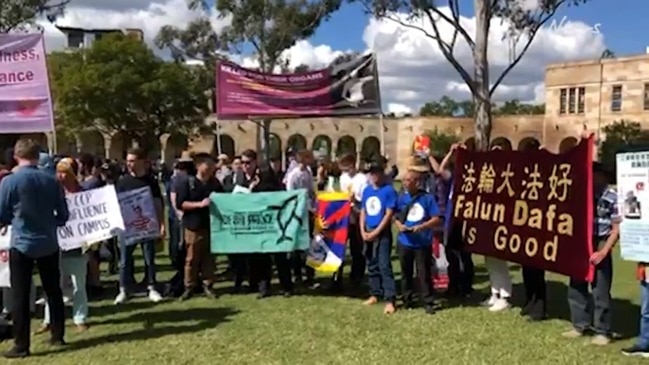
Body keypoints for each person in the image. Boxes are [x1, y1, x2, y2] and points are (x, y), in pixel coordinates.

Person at [0, 138, 69, 359]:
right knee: (53, 291)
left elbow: (1, 213)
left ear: (16, 156)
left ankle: (21, 345)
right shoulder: (52, 180)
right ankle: (58, 335)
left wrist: (14, 219)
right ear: (38, 156)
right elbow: (63, 215)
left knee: (20, 295)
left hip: (22, 243)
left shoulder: (10, 182)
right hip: (48, 242)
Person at [563, 161, 619, 345]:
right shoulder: (581, 194)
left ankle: (602, 331)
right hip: (581, 242)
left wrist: (603, 251)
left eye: (594, 174)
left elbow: (616, 228)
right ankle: (580, 324)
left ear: (603, 176)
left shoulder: (612, 197)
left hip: (600, 241)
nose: (591, 178)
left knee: (600, 290)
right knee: (576, 285)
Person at [36, 158, 89, 334]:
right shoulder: (50, 193)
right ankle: (48, 320)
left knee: (78, 286)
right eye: (58, 171)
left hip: (77, 248)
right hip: (55, 247)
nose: (61, 175)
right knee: (52, 286)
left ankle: (79, 318)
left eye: (65, 172)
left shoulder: (84, 194)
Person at [114, 148, 165, 305]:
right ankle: (124, 289)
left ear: (142, 162)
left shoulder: (151, 181)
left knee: (149, 258)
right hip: (126, 228)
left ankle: (151, 287)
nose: (129, 164)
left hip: (147, 226)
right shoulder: (122, 182)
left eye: (132, 160)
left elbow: (158, 204)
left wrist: (161, 224)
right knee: (124, 260)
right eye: (128, 161)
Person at [395, 161, 442, 314]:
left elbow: (436, 218)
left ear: (416, 182)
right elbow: (395, 215)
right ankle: (407, 299)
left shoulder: (427, 198)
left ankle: (428, 301)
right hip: (405, 241)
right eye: (404, 180)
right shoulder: (402, 198)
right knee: (405, 273)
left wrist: (421, 227)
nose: (405, 183)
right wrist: (399, 226)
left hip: (422, 242)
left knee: (424, 273)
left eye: (408, 180)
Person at [175, 153, 223, 300]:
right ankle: (189, 286)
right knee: (192, 258)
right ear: (198, 166)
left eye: (212, 164)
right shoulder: (188, 183)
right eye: (207, 164)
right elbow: (181, 204)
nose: (210, 167)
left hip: (211, 225)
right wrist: (199, 204)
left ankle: (208, 285)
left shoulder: (215, 183)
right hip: (193, 226)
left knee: (209, 258)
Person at [249, 161, 294, 297]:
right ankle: (285, 287)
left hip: (270, 227)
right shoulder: (277, 187)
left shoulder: (272, 189)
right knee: (275, 259)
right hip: (269, 227)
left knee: (271, 259)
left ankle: (267, 288)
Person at [360, 157, 398, 315]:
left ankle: (390, 299)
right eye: (372, 173)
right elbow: (363, 211)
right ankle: (375, 292)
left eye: (377, 173)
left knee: (384, 264)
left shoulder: (388, 190)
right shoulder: (367, 190)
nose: (374, 176)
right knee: (372, 263)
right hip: (368, 230)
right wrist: (363, 230)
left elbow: (389, 214)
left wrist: (377, 232)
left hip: (382, 232)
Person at [285, 149, 318, 290]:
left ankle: (309, 275)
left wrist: (314, 201)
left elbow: (311, 189)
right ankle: (297, 274)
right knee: (297, 246)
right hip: (298, 213)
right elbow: (290, 193)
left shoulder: (308, 172)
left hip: (309, 211)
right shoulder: (294, 175)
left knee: (308, 244)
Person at [336, 153, 367, 290]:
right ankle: (337, 277)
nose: (346, 171)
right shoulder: (343, 178)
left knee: (357, 248)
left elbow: (364, 197)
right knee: (340, 247)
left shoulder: (362, 179)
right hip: (344, 215)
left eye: (348, 168)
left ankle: (357, 277)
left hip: (357, 213)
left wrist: (356, 199)